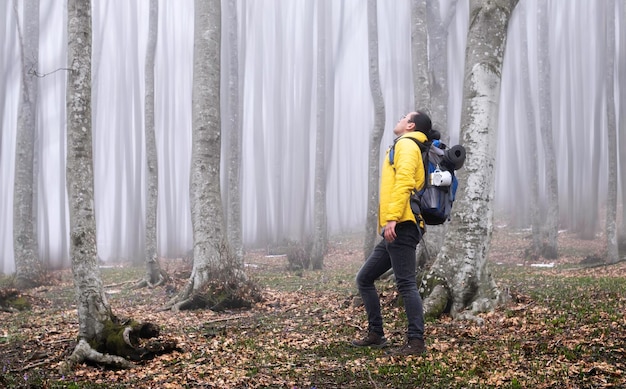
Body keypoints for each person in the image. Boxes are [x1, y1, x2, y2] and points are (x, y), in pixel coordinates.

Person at [352, 111, 431, 356]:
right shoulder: (403, 144)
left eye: (404, 116)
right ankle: (377, 334)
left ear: (411, 125)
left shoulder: (407, 144)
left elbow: (405, 182)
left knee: (406, 284)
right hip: (396, 226)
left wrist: (392, 219)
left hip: (401, 225)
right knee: (365, 278)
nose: (399, 118)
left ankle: (416, 342)